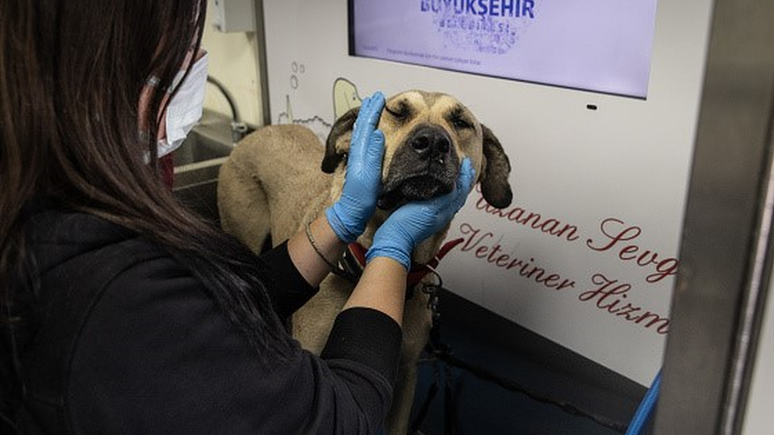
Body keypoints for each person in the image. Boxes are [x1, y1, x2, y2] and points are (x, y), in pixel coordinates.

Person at [0, 1, 475, 434]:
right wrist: (391, 247)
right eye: (173, 58)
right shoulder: (116, 294)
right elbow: (339, 421)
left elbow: (221, 308)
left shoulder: (50, 223)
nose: (194, 60)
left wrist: (341, 221)